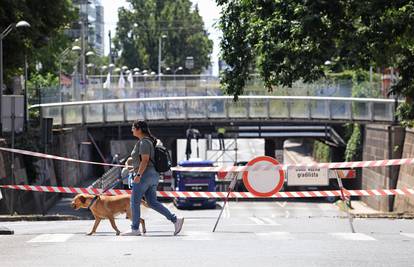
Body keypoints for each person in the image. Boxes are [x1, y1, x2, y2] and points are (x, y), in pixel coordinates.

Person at [122, 120, 184, 236]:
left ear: (139, 129)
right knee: (152, 202)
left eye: (133, 128)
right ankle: (175, 219)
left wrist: (138, 175)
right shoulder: (149, 141)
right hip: (153, 175)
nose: (132, 130)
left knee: (134, 201)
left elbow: (145, 160)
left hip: (144, 175)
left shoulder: (144, 142)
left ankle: (135, 228)